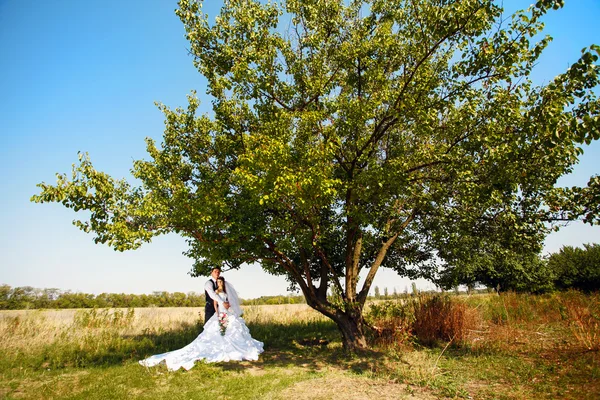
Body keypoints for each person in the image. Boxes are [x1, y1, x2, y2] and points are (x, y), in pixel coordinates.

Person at [139, 275, 264, 371]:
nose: (219, 283)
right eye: (218, 282)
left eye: (221, 282)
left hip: (227, 312)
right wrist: (218, 313)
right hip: (220, 313)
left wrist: (228, 308)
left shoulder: (226, 293)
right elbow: (216, 303)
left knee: (233, 329)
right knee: (218, 330)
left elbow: (229, 302)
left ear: (223, 283)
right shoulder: (215, 293)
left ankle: (235, 348)